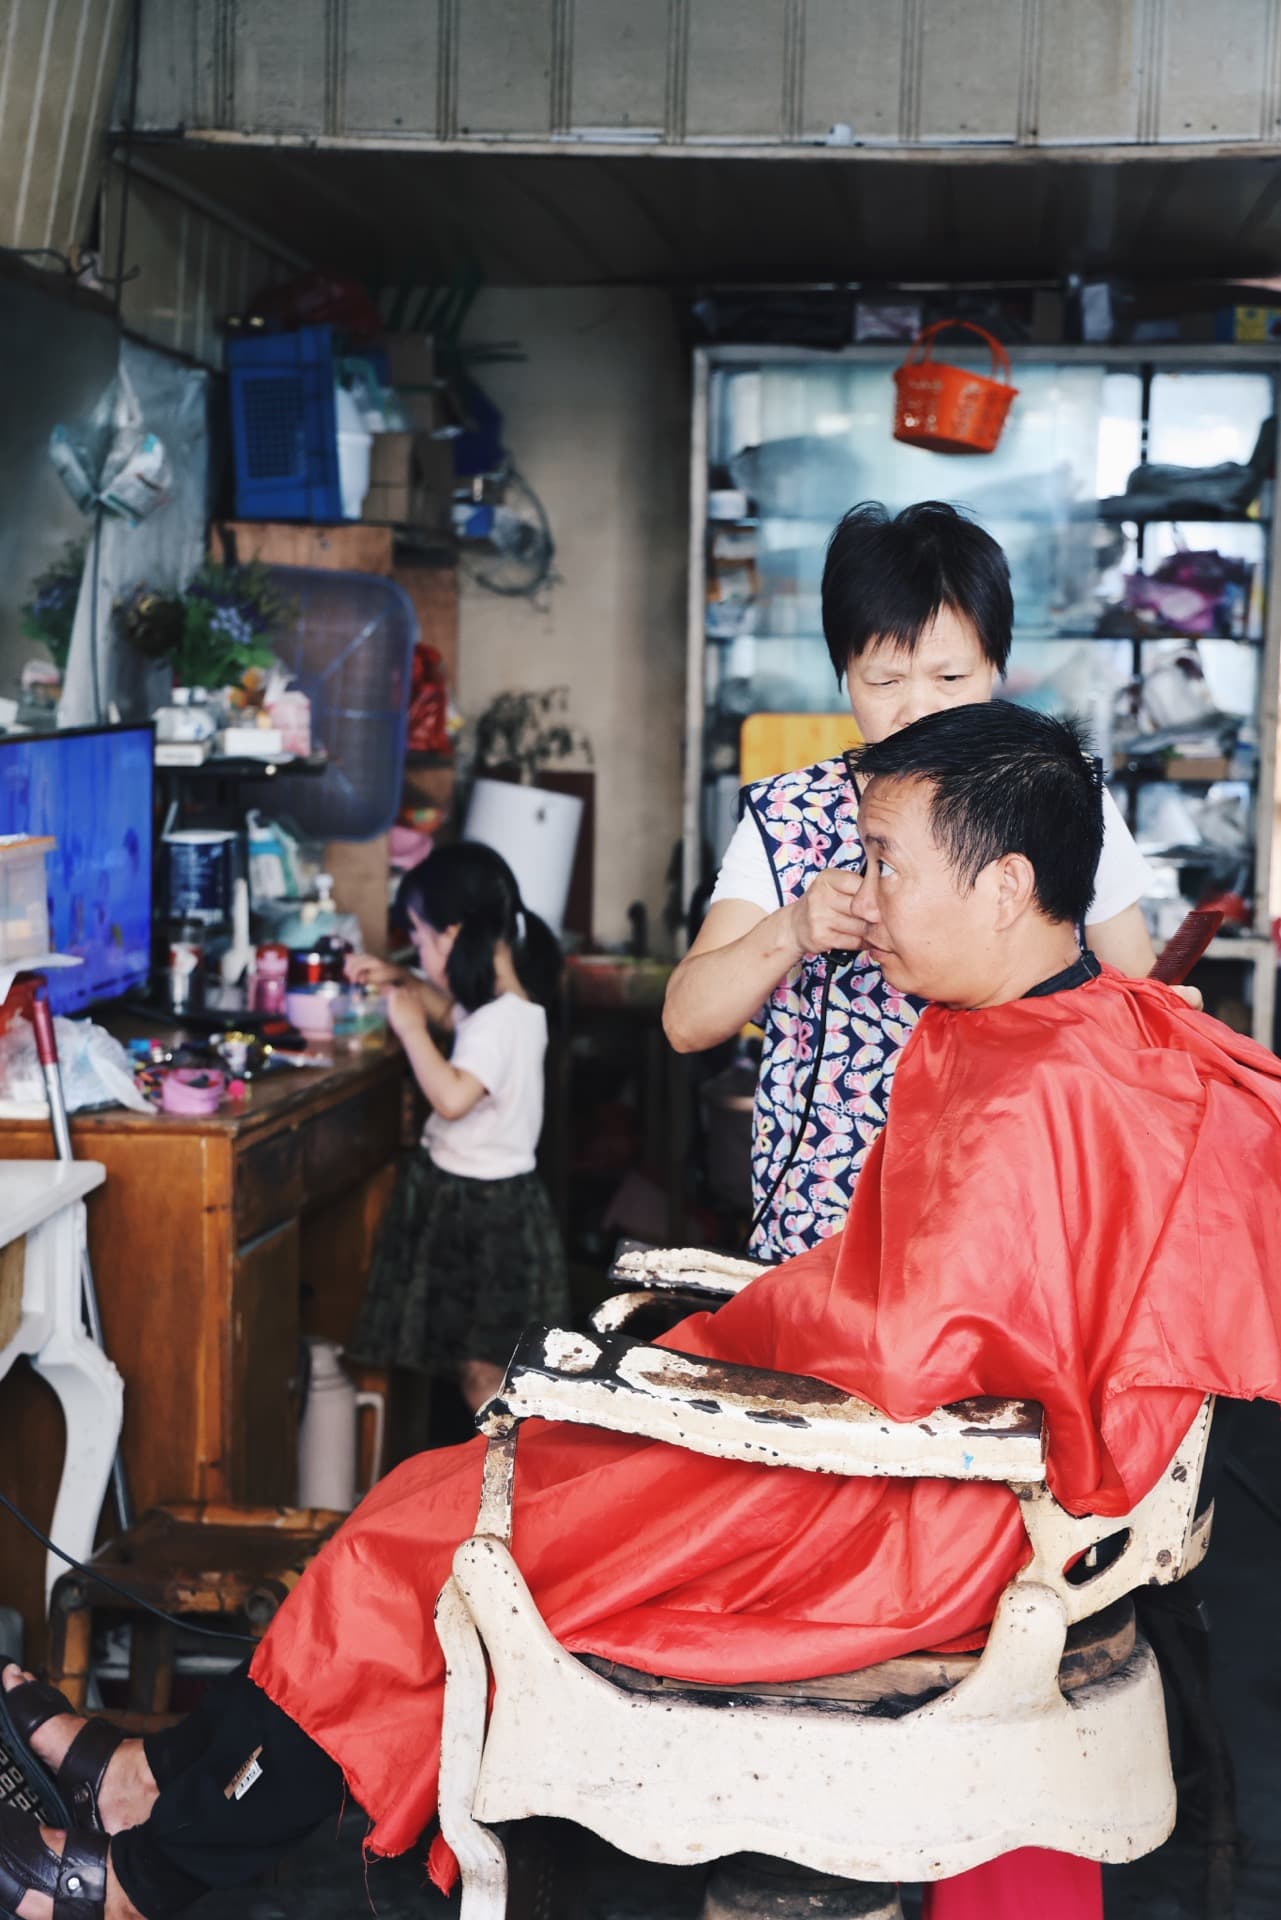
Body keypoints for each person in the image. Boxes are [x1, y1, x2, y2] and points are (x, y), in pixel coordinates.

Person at [5, 703, 1281, 1920]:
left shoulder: (1036, 1090)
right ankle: (156, 1789)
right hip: (873, 1458)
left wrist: (679, 1369)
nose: (865, 897)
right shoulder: (1029, 1030)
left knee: (438, 1551)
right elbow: (915, 1315)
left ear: (1006, 886)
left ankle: (147, 1878)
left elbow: (909, 1349)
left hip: (899, 1510)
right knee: (423, 1506)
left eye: (887, 866)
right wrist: (728, 1342)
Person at [664, 499, 1192, 1261]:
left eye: (949, 676)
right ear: (842, 670)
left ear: (995, 666)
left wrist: (1164, 1018)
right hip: (822, 1240)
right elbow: (687, 1022)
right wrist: (790, 931)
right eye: (883, 680)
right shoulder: (788, 816)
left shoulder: (1063, 799)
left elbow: (1139, 1003)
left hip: (1018, 1233)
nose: (916, 710)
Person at [343, 842, 569, 1414]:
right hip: (485, 1203)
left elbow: (450, 1097)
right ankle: (488, 1484)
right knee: (479, 1364)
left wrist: (411, 1028)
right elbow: (457, 1017)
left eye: (418, 940)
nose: (417, 951)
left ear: (452, 933)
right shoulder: (510, 1008)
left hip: (486, 1215)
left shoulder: (499, 1024)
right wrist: (403, 977)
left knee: (483, 1375)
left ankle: (499, 1490)